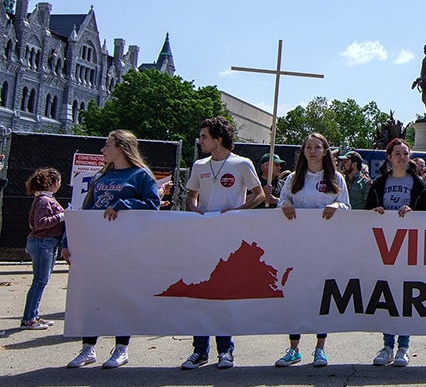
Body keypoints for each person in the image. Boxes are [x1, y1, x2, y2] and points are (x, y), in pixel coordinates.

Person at [66, 130, 161, 368]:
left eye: (107, 145)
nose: (102, 150)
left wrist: (123, 203)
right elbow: (85, 211)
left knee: (121, 295)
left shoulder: (141, 176)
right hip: (96, 246)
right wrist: (69, 241)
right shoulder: (100, 176)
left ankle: (121, 348)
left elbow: (153, 205)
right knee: (92, 295)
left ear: (121, 147)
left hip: (124, 248)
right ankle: (88, 348)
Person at [181, 117, 265, 370]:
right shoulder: (199, 165)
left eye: (204, 136)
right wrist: (196, 212)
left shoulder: (242, 164)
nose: (200, 140)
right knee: (200, 290)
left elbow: (259, 195)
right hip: (204, 237)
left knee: (224, 292)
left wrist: (237, 211)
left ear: (218, 138)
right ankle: (199, 350)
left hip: (231, 239)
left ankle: (225, 350)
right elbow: (191, 197)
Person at [274, 133, 351, 367]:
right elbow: (282, 201)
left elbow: (346, 205)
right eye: (308, 147)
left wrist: (336, 205)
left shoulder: (335, 178)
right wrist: (284, 203)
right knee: (296, 295)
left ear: (325, 151)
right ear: (303, 151)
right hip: (297, 246)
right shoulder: (294, 179)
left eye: (318, 147)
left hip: (324, 247)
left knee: (321, 295)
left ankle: (320, 348)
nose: (313, 151)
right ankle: (294, 347)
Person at [364, 138, 426, 367]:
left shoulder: (419, 185)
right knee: (386, 295)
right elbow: (366, 212)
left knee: (406, 296)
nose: (402, 157)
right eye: (397, 154)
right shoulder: (379, 183)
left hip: (408, 249)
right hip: (384, 249)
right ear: (389, 157)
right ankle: (387, 345)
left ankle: (404, 345)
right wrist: (377, 210)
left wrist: (414, 212)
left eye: (405, 153)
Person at [21, 167, 65, 330]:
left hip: (47, 243)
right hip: (43, 243)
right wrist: (61, 216)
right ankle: (28, 319)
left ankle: (33, 315)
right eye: (59, 181)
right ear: (54, 183)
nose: (60, 184)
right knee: (40, 281)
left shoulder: (45, 199)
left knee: (41, 281)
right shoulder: (44, 201)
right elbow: (39, 223)